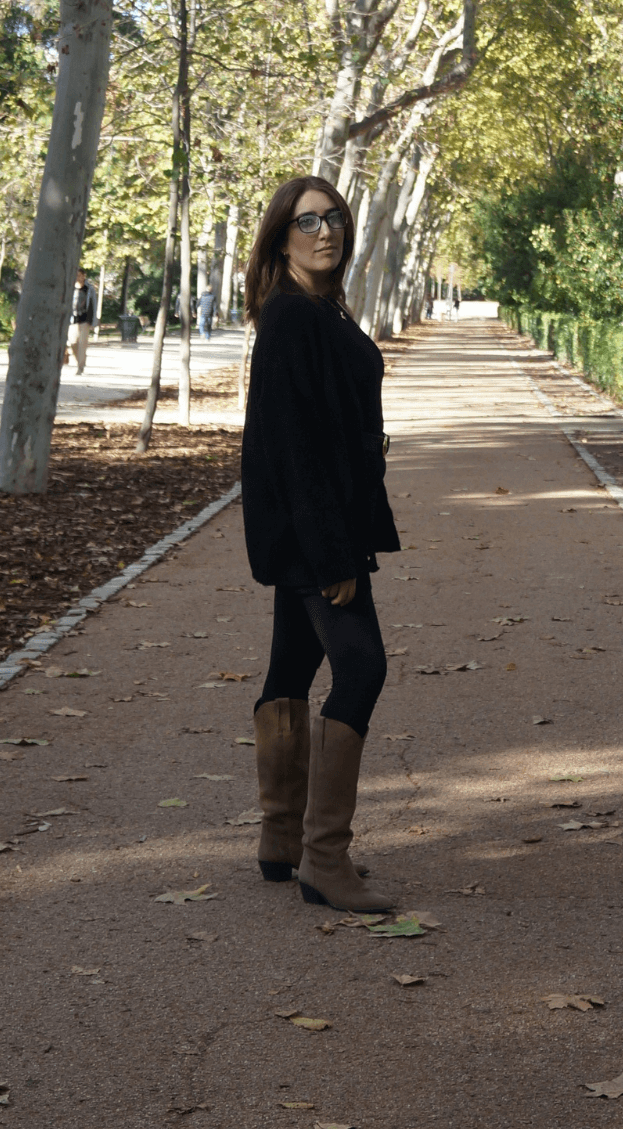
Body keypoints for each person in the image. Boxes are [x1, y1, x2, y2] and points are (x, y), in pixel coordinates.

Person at [240, 175, 401, 912]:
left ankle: (281, 838)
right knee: (362, 668)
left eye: (334, 217)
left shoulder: (317, 308)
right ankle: (325, 859)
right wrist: (332, 553)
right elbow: (291, 449)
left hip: (320, 522)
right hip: (314, 532)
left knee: (291, 667)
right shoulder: (290, 318)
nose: (326, 231)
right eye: (307, 222)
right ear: (281, 238)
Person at [65, 269, 96, 373]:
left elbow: (93, 305)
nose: (77, 277)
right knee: (73, 343)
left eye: (79, 275)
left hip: (85, 320)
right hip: (72, 320)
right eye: (76, 275)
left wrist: (93, 321)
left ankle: (80, 367)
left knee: (82, 344)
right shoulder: (70, 288)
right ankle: (80, 361)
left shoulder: (89, 289)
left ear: (83, 276)